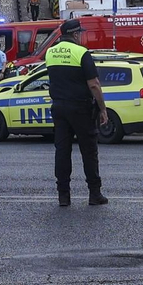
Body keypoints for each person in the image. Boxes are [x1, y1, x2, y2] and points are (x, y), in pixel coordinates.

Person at [41, 19, 108, 206]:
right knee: (89, 151)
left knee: (62, 151)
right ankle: (94, 194)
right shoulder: (81, 52)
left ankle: (63, 195)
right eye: (80, 34)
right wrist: (102, 108)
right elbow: (94, 84)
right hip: (80, 108)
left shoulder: (50, 52)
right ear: (76, 34)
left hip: (59, 107)